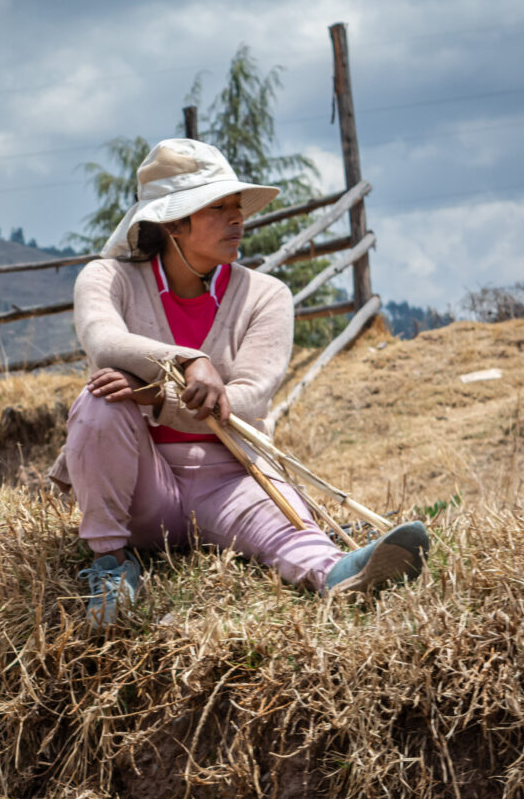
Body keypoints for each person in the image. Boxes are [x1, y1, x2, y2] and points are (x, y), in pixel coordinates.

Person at [48, 138, 429, 625]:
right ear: (172, 224)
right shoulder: (107, 279)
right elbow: (104, 344)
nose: (237, 219)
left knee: (294, 535)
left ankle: (341, 572)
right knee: (100, 399)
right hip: (142, 485)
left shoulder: (266, 295)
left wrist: (158, 396)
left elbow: (251, 397)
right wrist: (190, 362)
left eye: (237, 207)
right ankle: (111, 561)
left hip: (231, 475)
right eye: (217, 208)